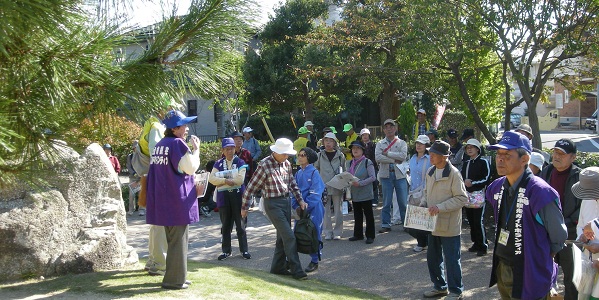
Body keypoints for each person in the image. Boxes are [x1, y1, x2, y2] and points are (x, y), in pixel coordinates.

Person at [486, 131, 567, 299]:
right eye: (498, 154)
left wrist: (539, 256)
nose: (500, 159)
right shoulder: (496, 187)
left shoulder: (541, 192)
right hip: (502, 264)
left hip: (530, 270)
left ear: (525, 159)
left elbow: (558, 236)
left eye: (507, 155)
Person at [145, 110, 201, 290]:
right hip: (178, 200)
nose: (186, 128)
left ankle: (178, 275)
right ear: (175, 128)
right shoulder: (178, 143)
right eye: (184, 125)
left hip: (163, 200)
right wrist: (196, 150)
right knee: (178, 241)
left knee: (172, 240)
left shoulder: (161, 144)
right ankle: (174, 281)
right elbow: (190, 168)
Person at [240, 138, 308, 280]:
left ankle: (278, 267)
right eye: (284, 153)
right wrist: (244, 207)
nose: (287, 156)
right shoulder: (264, 165)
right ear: (276, 151)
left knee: (282, 237)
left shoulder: (287, 164)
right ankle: (297, 270)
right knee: (289, 236)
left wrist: (300, 200)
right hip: (272, 203)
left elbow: (292, 184)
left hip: (285, 201)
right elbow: (251, 188)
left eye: (288, 154)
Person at [421, 141, 467, 300]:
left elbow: (462, 198)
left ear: (445, 157)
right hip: (432, 223)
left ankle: (456, 291)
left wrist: (440, 207)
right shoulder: (430, 171)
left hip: (450, 225)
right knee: (433, 258)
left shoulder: (454, 173)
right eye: (430, 153)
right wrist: (422, 204)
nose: (430, 156)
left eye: (434, 154)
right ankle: (439, 287)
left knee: (452, 259)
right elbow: (425, 192)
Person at [539, 138, 582, 300]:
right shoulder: (546, 172)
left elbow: (583, 207)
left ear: (573, 157)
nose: (557, 156)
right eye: (555, 152)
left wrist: (566, 223)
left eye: (562, 154)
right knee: (544, 272)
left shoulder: (579, 176)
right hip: (545, 232)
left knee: (572, 277)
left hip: (570, 234)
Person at [209, 138, 250, 261]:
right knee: (226, 225)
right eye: (227, 149)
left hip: (238, 196)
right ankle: (226, 251)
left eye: (232, 148)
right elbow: (212, 179)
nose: (230, 151)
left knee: (240, 224)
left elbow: (240, 180)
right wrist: (226, 180)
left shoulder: (240, 161)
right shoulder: (218, 163)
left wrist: (221, 178)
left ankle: (244, 250)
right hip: (223, 197)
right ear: (223, 150)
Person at [292, 147, 325, 273]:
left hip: (314, 208)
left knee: (314, 233)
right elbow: (294, 191)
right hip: (300, 209)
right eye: (299, 155)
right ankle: (292, 260)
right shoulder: (298, 173)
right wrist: (296, 206)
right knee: (297, 233)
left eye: (303, 155)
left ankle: (315, 260)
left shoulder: (314, 173)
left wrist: (306, 206)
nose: (300, 157)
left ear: (309, 158)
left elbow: (316, 193)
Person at [376, 119, 408, 233]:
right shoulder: (380, 144)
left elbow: (403, 156)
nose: (389, 129)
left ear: (395, 128)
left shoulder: (402, 143)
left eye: (391, 126)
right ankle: (385, 224)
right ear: (383, 130)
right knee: (386, 202)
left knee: (403, 201)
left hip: (400, 175)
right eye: (386, 127)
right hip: (385, 175)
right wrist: (394, 160)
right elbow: (378, 157)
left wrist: (388, 154)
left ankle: (406, 224)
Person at [461, 139, 490, 256]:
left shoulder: (483, 162)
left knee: (478, 221)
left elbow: (486, 178)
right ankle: (476, 243)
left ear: (478, 149)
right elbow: (462, 177)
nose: (469, 149)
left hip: (478, 195)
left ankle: (483, 245)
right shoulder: (466, 163)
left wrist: (473, 183)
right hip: (467, 196)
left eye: (472, 147)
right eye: (467, 147)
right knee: (471, 221)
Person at [315, 132, 346, 240]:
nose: (328, 143)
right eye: (326, 141)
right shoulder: (319, 155)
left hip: (337, 186)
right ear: (323, 142)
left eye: (331, 141)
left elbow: (344, 170)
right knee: (325, 211)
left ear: (334, 143)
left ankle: (338, 231)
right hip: (323, 187)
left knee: (338, 210)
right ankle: (327, 231)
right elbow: (316, 169)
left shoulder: (340, 155)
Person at [574, 167, 599, 298]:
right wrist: (582, 236)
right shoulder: (587, 200)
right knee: (583, 294)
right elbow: (581, 225)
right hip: (588, 259)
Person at [346, 141, 377, 244]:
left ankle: (370, 236)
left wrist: (361, 183)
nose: (355, 150)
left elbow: (373, 177)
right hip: (355, 193)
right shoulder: (350, 163)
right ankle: (358, 234)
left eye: (358, 148)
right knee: (357, 215)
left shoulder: (367, 162)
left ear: (362, 150)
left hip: (365, 193)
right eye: (353, 148)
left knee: (368, 215)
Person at [407, 135, 431, 252]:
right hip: (413, 192)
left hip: (424, 192)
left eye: (421, 143)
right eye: (417, 143)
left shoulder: (430, 159)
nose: (418, 145)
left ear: (426, 145)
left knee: (422, 220)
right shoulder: (412, 158)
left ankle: (422, 243)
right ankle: (422, 242)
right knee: (412, 222)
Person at [360, 128, 379, 206]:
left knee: (374, 182)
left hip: (373, 165)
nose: (365, 136)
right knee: (364, 182)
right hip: (363, 166)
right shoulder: (359, 145)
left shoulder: (373, 145)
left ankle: (375, 200)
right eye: (363, 135)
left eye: (366, 135)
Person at [126, 140, 141, 215]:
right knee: (131, 195)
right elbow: (128, 166)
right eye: (136, 147)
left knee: (141, 194)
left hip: (141, 177)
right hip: (132, 177)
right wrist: (134, 173)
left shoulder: (142, 155)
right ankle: (131, 210)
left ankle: (142, 209)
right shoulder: (130, 156)